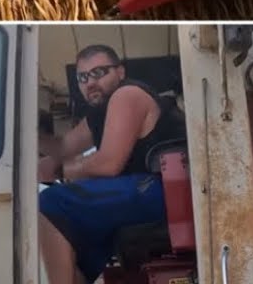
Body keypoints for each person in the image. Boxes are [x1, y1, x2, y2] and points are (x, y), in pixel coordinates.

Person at [37, 45, 188, 284]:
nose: (90, 83)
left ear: (120, 72)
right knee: (75, 254)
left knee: (50, 201)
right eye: (83, 77)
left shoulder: (127, 95)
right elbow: (63, 147)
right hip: (141, 197)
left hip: (163, 190)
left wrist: (65, 171)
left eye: (99, 73)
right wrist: (32, 137)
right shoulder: (97, 115)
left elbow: (109, 164)